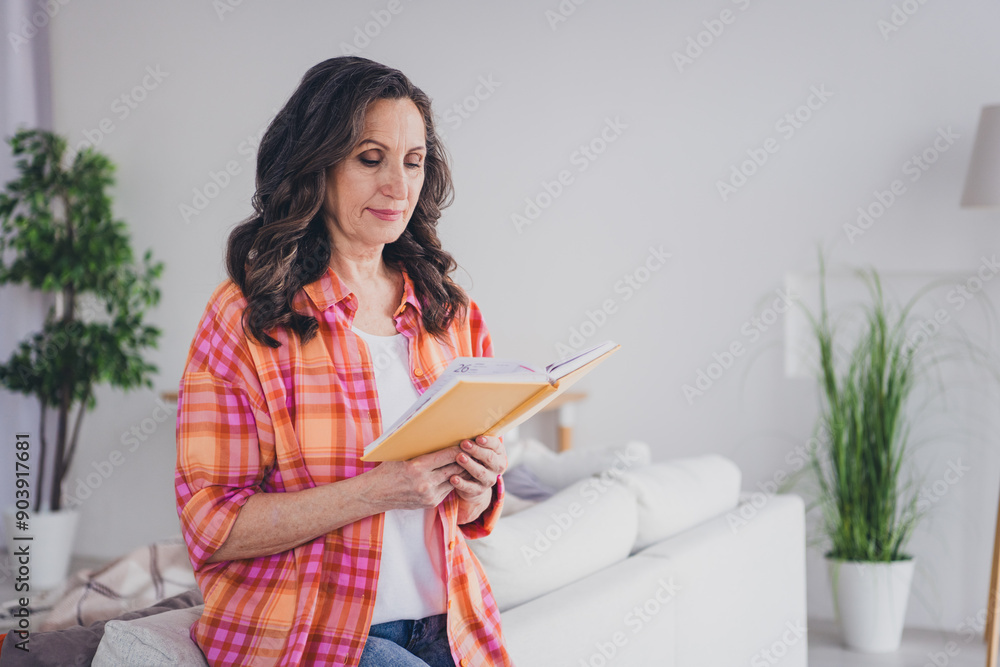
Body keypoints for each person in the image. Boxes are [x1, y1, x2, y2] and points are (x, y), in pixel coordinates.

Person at [175, 56, 512, 667]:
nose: (398, 186)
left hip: (455, 626)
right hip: (315, 634)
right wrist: (374, 492)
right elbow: (211, 525)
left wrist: (480, 483)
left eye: (413, 162)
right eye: (369, 158)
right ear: (316, 165)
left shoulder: (449, 312)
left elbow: (459, 516)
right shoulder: (248, 316)